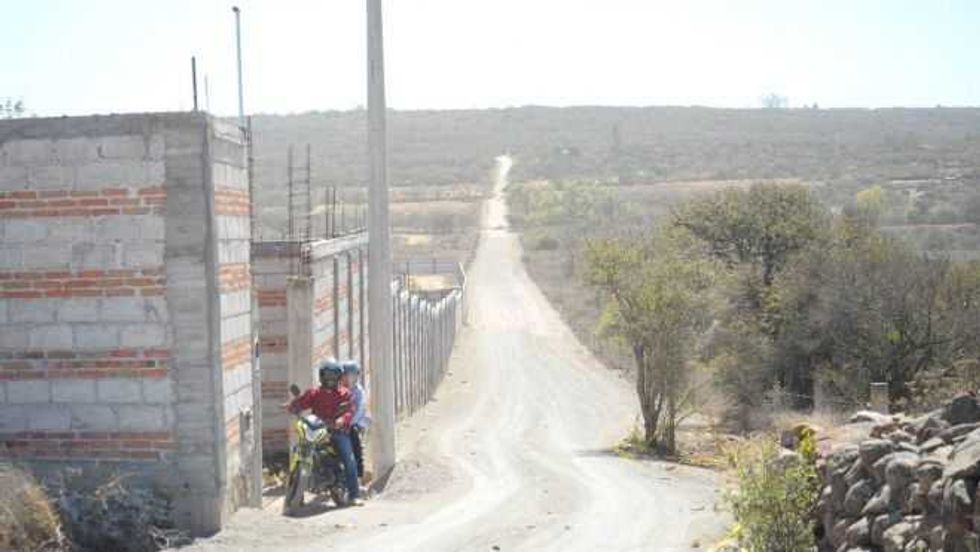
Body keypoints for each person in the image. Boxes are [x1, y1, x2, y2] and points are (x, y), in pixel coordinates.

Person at [286, 358, 363, 507]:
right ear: (322, 376)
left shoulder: (344, 394)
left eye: (333, 376)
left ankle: (354, 494)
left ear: (338, 377)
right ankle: (295, 491)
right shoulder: (314, 393)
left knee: (349, 458)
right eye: (327, 375)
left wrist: (341, 420)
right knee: (296, 449)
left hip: (337, 431)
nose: (330, 379)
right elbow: (302, 402)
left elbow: (349, 410)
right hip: (316, 428)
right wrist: (292, 406)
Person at [341, 360, 371, 485]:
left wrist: (347, 423)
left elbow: (358, 412)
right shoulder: (339, 390)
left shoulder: (358, 392)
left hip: (356, 424)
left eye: (351, 376)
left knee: (356, 447)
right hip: (341, 424)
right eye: (346, 375)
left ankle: (358, 477)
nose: (348, 379)